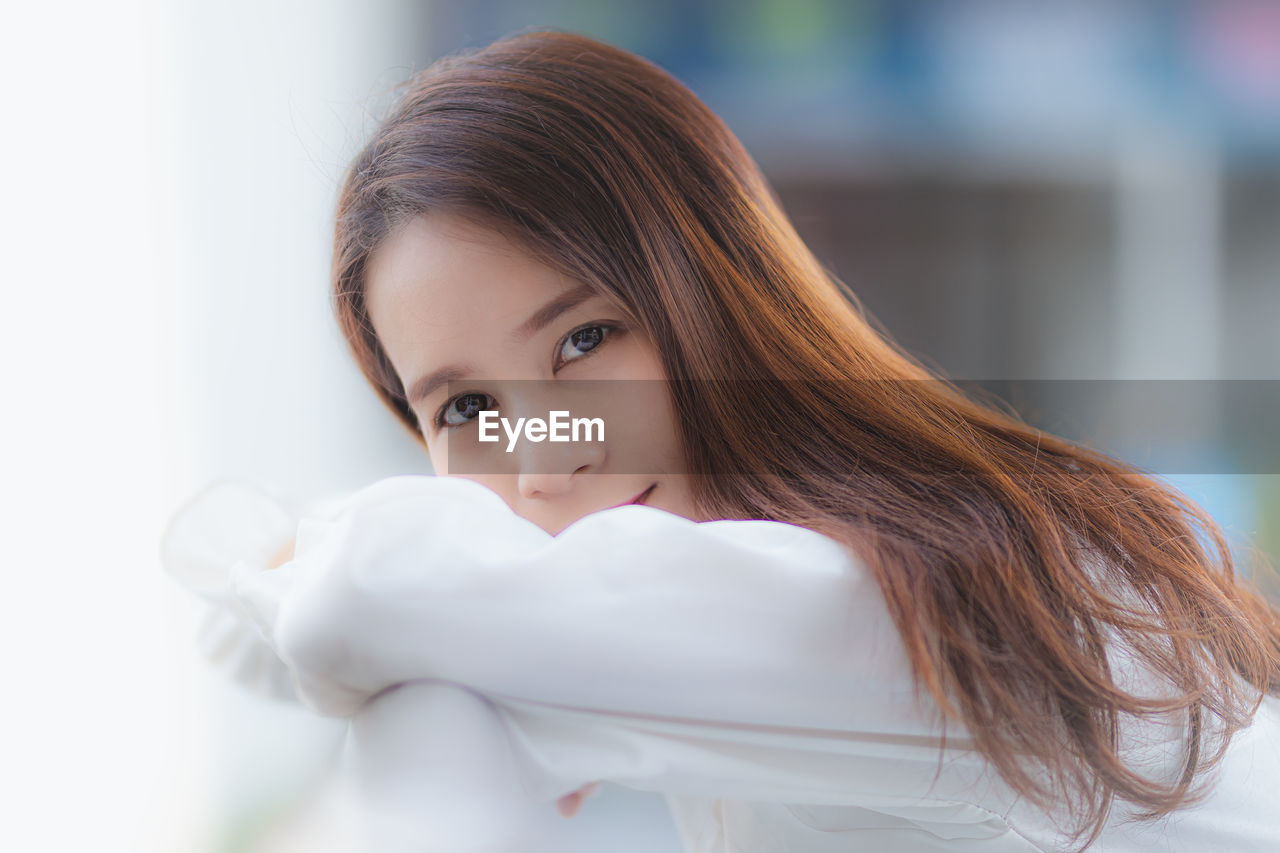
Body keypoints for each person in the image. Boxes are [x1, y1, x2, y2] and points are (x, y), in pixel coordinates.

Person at [162, 28, 1280, 853]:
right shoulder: (918, 534)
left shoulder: (868, 589)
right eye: (465, 412)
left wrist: (265, 566)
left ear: (717, 298)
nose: (548, 453)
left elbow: (358, 591)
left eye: (585, 338)